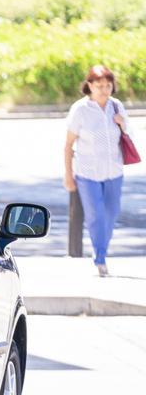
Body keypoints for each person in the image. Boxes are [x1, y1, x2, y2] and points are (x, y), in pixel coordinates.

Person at [63, 65, 131, 277]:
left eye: (108, 85)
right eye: (99, 85)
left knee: (111, 214)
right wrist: (68, 174)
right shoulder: (80, 109)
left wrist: (122, 123)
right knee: (96, 216)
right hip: (87, 173)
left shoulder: (116, 106)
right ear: (89, 86)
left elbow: (126, 132)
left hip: (114, 171)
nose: (104, 89)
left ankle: (101, 249)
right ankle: (100, 257)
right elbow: (68, 145)